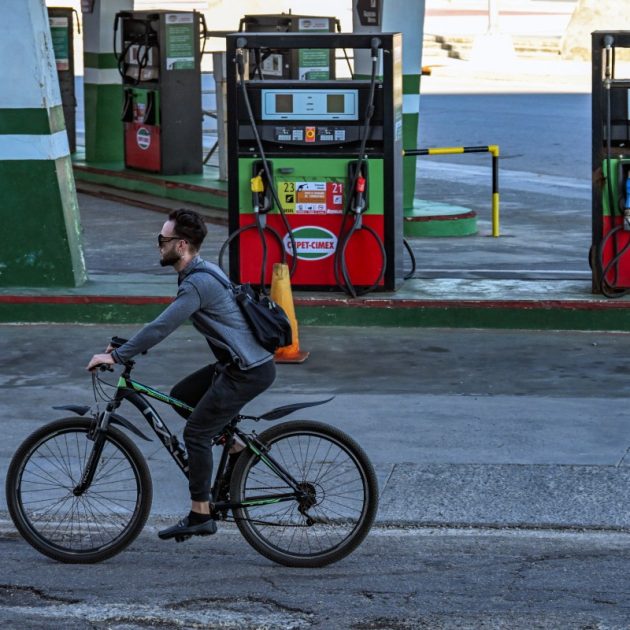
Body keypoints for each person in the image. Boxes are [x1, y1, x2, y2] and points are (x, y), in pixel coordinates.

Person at [86, 208, 276, 541]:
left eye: (163, 240)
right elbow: (160, 327)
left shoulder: (197, 283)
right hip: (239, 363)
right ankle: (234, 448)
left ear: (182, 245)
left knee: (196, 434)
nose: (158, 245)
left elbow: (163, 326)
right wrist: (127, 345)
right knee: (182, 397)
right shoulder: (202, 271)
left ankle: (200, 513)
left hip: (247, 370)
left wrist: (117, 355)